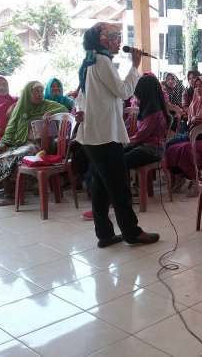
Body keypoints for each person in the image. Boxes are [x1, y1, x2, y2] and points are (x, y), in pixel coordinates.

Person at [75, 22, 159, 248]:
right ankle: (132, 233)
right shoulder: (101, 61)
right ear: (103, 40)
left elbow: (81, 96)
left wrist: (80, 110)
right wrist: (135, 66)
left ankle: (104, 234)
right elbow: (123, 92)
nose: (119, 42)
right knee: (119, 186)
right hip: (103, 135)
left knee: (101, 186)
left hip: (92, 135)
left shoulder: (90, 61)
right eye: (114, 37)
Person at [0, 81, 68, 205]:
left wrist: (51, 113)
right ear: (28, 93)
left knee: (19, 155)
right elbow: (10, 129)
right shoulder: (20, 108)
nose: (40, 94)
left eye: (41, 91)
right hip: (18, 143)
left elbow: (63, 109)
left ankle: (13, 194)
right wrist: (4, 144)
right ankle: (8, 190)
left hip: (37, 146)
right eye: (36, 92)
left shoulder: (47, 105)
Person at [166, 75, 202, 194]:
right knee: (171, 147)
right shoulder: (195, 102)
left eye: (201, 85)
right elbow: (189, 121)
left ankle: (196, 180)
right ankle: (180, 176)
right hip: (195, 135)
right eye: (196, 86)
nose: (198, 88)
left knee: (186, 148)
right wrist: (192, 120)